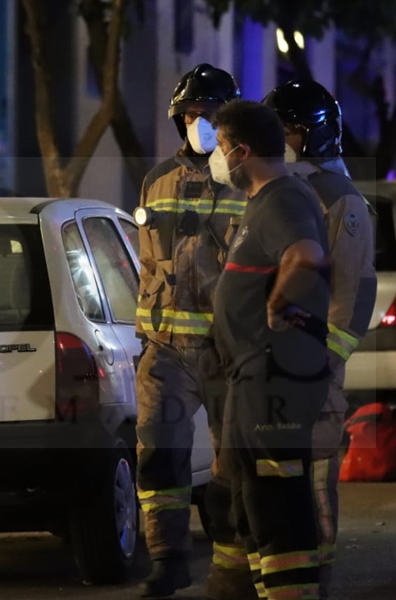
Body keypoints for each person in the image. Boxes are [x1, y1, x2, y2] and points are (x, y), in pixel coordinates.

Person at [131, 63, 250, 599]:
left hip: (227, 350)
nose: (197, 124)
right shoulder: (157, 179)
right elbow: (148, 264)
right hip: (166, 349)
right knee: (159, 454)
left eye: (208, 115)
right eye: (190, 115)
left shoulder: (251, 180)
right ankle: (168, 559)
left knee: (233, 463)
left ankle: (233, 561)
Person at [208, 99, 332, 600]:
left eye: (220, 147)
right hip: (251, 377)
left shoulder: (283, 199)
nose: (218, 159)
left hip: (272, 378)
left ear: (243, 150)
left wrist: (277, 304)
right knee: (248, 500)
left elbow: (306, 257)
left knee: (276, 502)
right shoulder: (262, 201)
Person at [263, 79, 377, 599]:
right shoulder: (273, 194)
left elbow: (349, 298)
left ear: (314, 136)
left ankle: (316, 586)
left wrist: (319, 362)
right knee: (273, 489)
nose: (276, 140)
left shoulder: (341, 201)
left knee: (314, 492)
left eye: (285, 131)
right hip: (266, 372)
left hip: (312, 372)